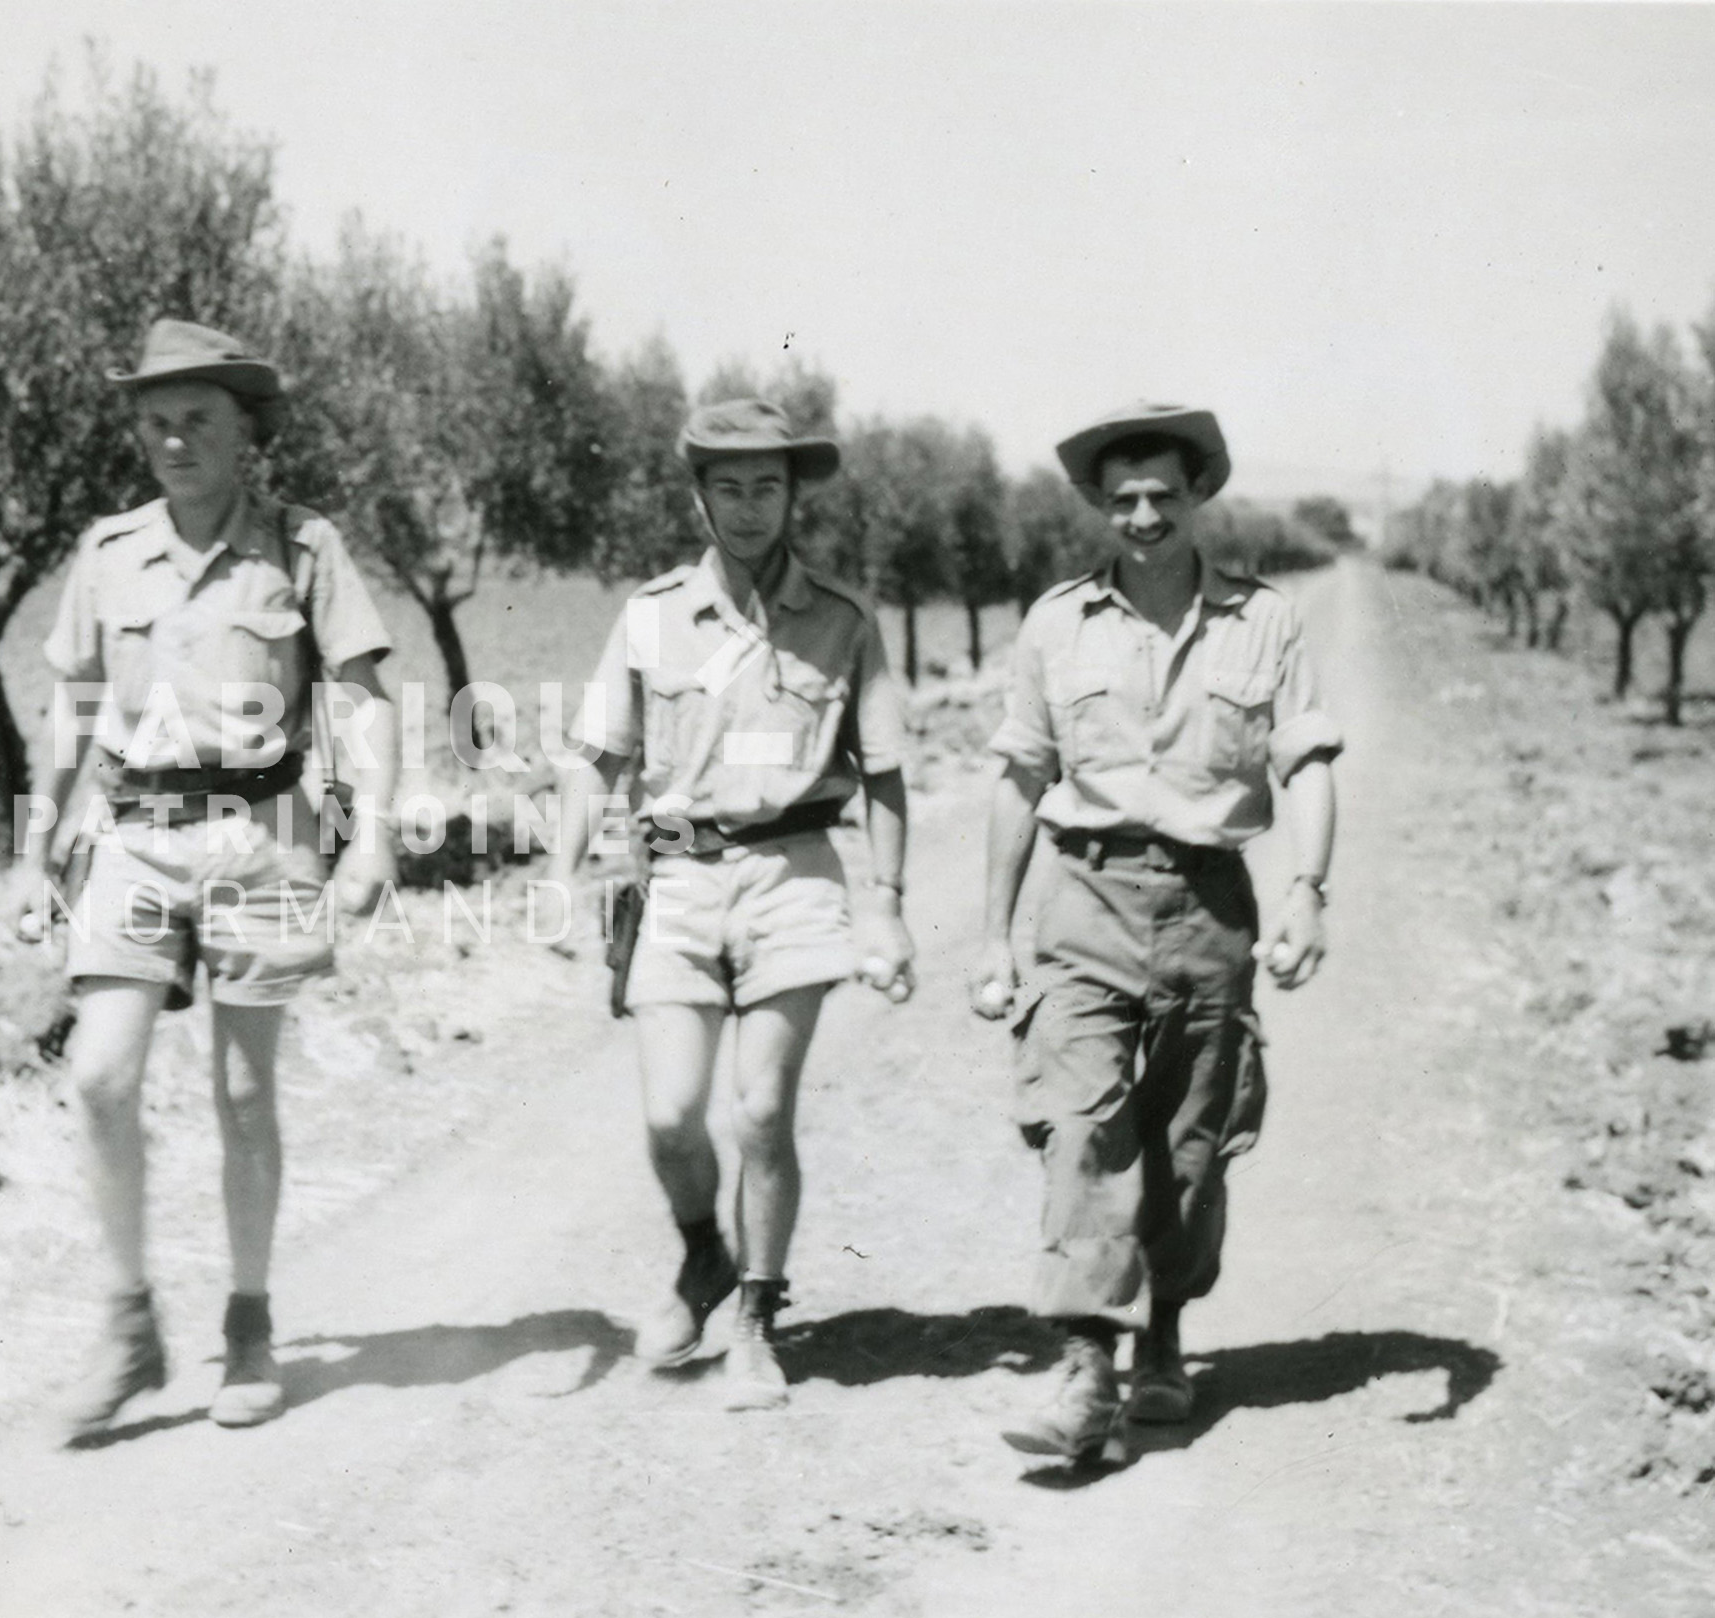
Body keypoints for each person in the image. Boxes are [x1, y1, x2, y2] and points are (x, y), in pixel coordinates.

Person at [15, 318, 398, 1442]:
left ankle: (248, 1320)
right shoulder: (108, 552)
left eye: (199, 420)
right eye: (155, 422)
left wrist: (371, 831)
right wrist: (36, 841)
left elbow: (364, 696)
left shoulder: (305, 548)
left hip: (262, 832)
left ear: (247, 432)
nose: (175, 441)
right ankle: (130, 1323)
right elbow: (72, 702)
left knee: (241, 1091)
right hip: (132, 832)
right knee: (97, 1076)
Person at [973, 402, 1342, 1465]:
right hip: (1084, 895)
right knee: (1083, 1124)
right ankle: (1087, 1367)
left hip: (1209, 904)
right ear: (1097, 503)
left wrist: (1309, 887)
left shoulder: (1262, 619)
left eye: (1162, 495)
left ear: (1198, 496)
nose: (1142, 514)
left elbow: (1307, 761)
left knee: (1187, 1144)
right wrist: (993, 938)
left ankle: (1164, 1337)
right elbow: (1018, 777)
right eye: (1122, 496)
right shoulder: (1054, 624)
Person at [547, 398, 917, 1412]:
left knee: (759, 1109)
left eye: (768, 486)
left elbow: (882, 776)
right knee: (670, 1115)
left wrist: (884, 904)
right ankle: (704, 1252)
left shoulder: (842, 621)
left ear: (794, 495)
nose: (749, 507)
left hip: (794, 873)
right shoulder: (652, 614)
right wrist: (556, 871)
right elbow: (595, 758)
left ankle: (756, 1313)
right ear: (698, 498)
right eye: (728, 487)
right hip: (672, 880)